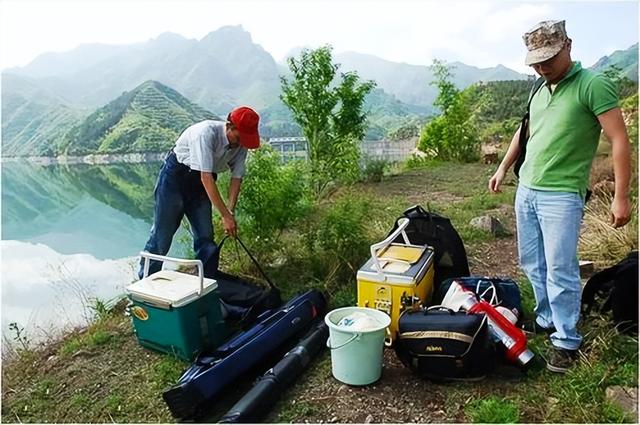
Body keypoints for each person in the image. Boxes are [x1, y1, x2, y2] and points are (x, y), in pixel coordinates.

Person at [488, 20, 631, 373]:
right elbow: (525, 132)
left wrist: (621, 195)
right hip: (528, 189)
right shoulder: (540, 87)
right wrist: (504, 168)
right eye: (535, 61)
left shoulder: (592, 85)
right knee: (532, 262)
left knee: (561, 268)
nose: (541, 67)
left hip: (562, 194)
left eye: (548, 58)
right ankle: (548, 317)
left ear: (568, 45)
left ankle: (567, 340)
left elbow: (618, 140)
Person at [138, 106, 261, 279]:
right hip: (176, 178)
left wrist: (230, 211)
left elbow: (236, 177)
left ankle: (206, 280)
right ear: (230, 126)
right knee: (162, 235)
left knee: (205, 235)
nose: (240, 143)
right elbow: (206, 177)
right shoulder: (205, 133)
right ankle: (146, 279)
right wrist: (225, 216)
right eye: (238, 137)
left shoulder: (241, 145)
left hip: (201, 184)